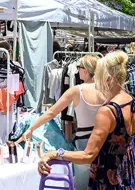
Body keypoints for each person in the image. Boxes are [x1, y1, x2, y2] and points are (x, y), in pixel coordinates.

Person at [38, 51, 135, 190]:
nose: (96, 82)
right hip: (133, 172)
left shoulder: (107, 111)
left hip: (112, 177)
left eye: (99, 77)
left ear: (109, 79)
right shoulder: (132, 103)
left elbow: (88, 155)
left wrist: (55, 153)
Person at [18, 55, 101, 190]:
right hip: (102, 141)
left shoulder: (77, 90)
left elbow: (51, 112)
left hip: (83, 144)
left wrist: (31, 129)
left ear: (85, 70)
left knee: (81, 185)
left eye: (79, 68)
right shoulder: (106, 90)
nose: (77, 71)